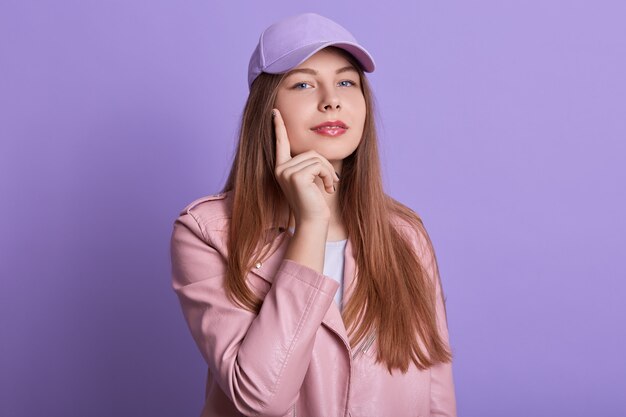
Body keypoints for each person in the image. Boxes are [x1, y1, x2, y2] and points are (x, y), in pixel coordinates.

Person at [170, 12, 457, 417]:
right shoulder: (207, 232)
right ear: (266, 109)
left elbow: (436, 393)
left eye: (346, 82)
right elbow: (260, 399)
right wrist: (311, 225)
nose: (331, 99)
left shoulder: (404, 234)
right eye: (304, 83)